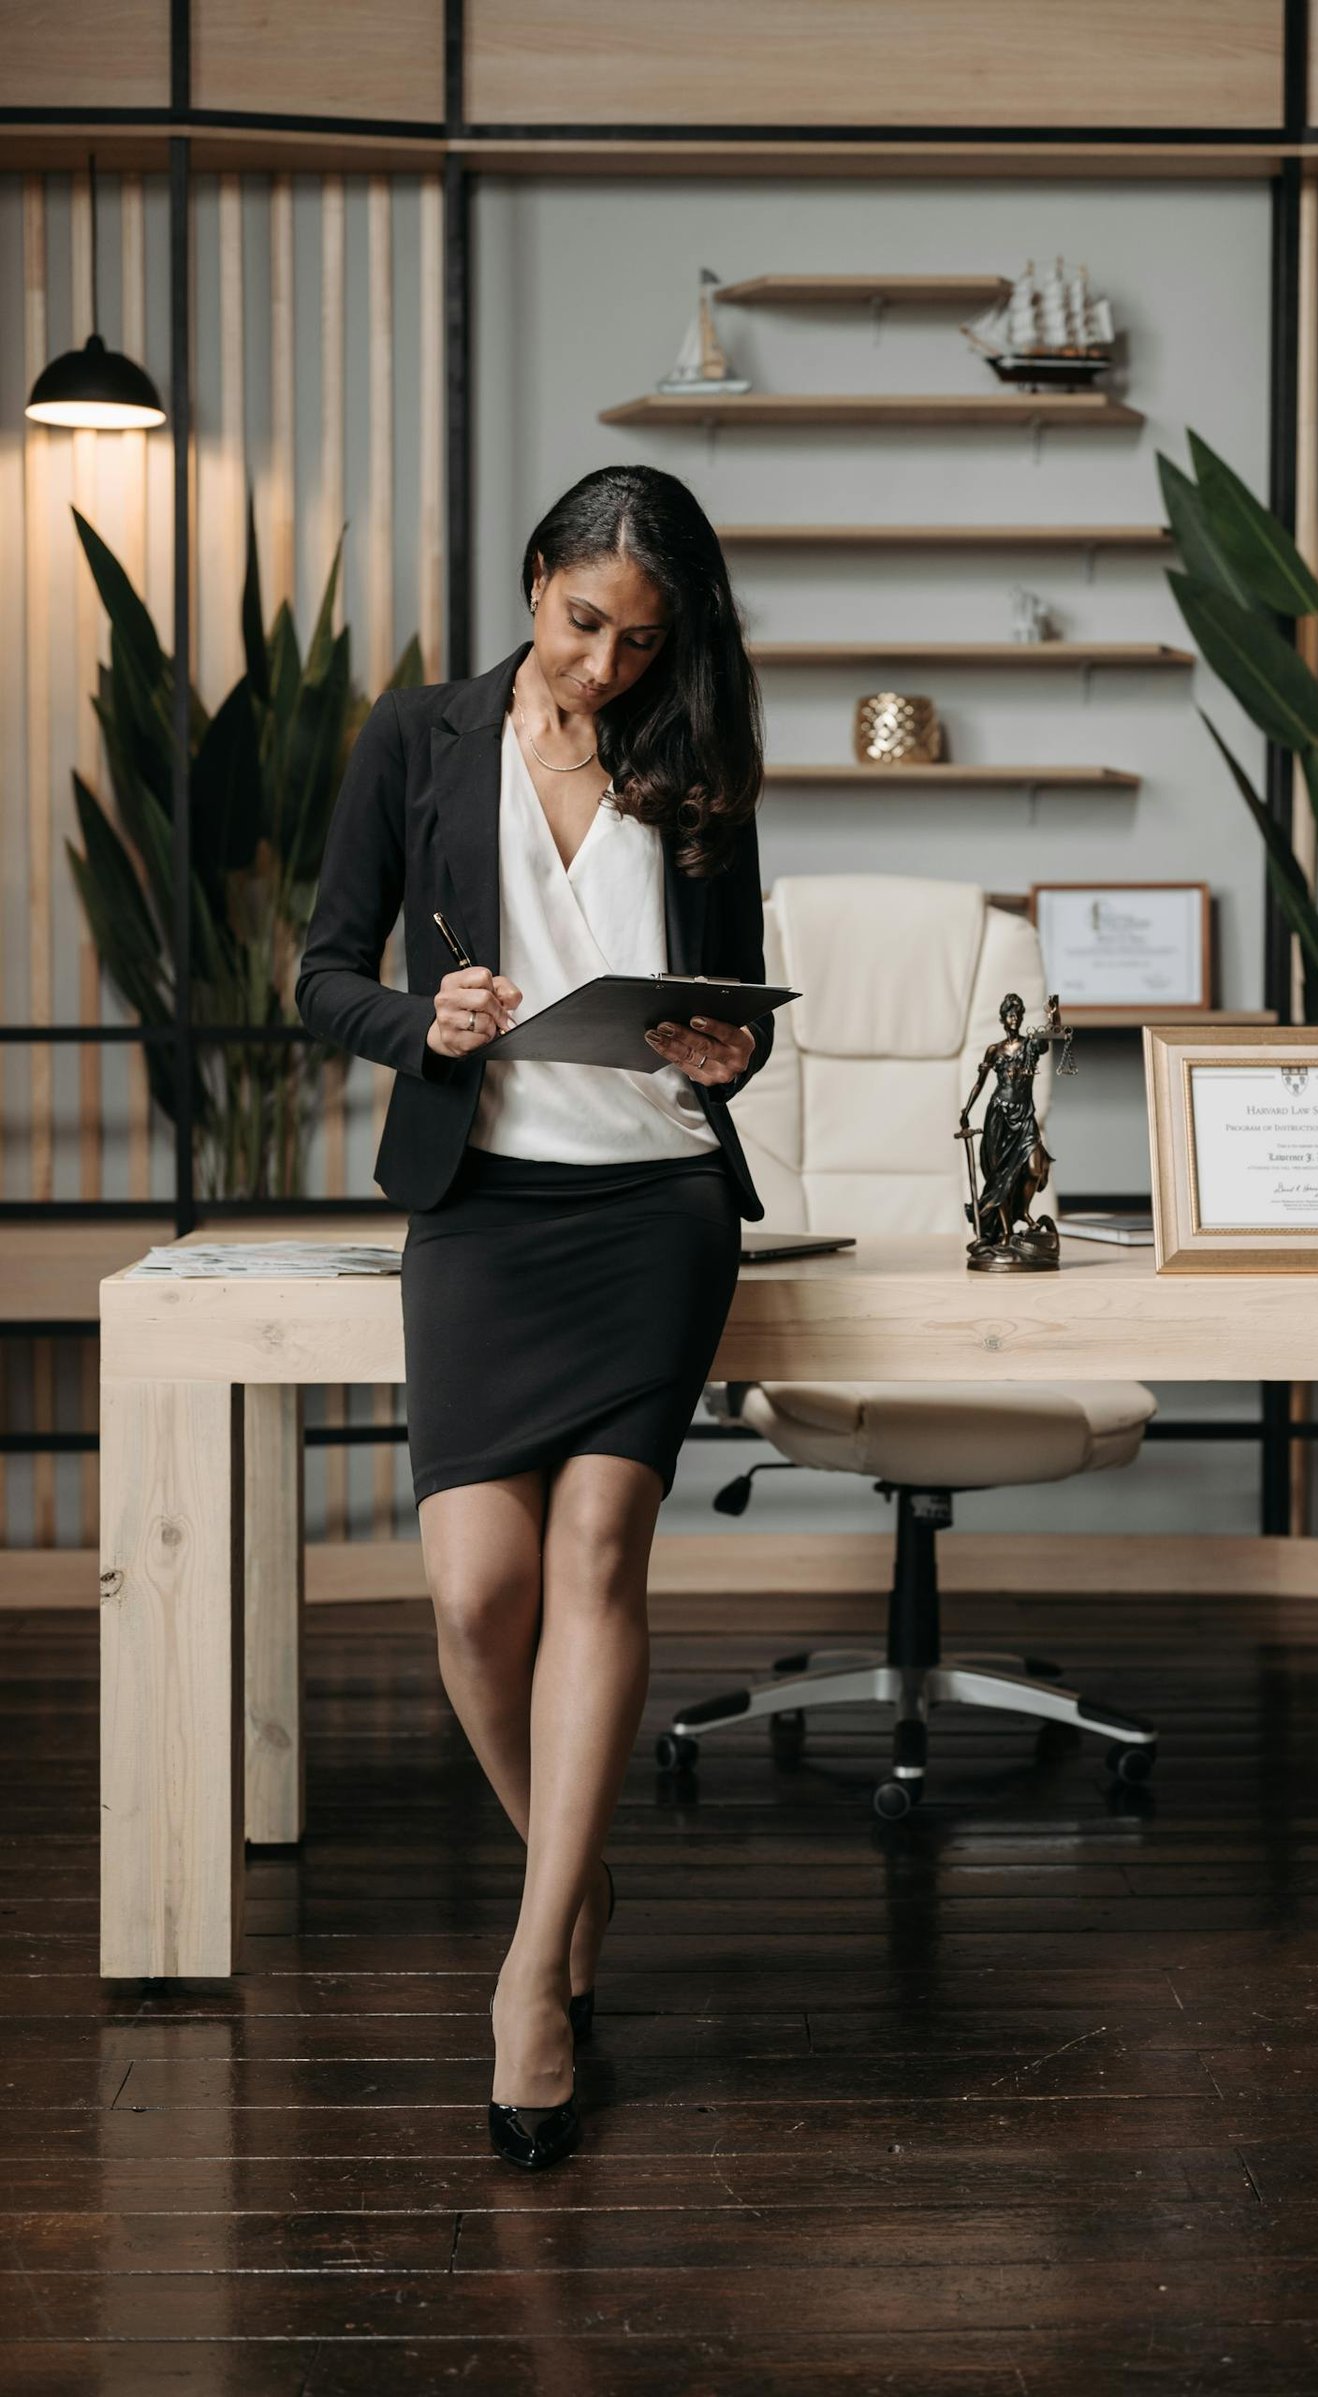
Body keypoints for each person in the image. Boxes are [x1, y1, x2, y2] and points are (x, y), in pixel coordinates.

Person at [295, 463, 774, 2173]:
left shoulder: (692, 751)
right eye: (584, 624)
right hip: (483, 1211)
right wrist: (428, 1020)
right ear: (533, 583)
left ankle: (533, 1976)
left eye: (643, 641)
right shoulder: (414, 739)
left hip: (653, 1207)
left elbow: (736, 1004)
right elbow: (320, 974)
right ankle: (578, 1862)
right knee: (473, 1592)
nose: (604, 668)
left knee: (592, 1563)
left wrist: (726, 1047)